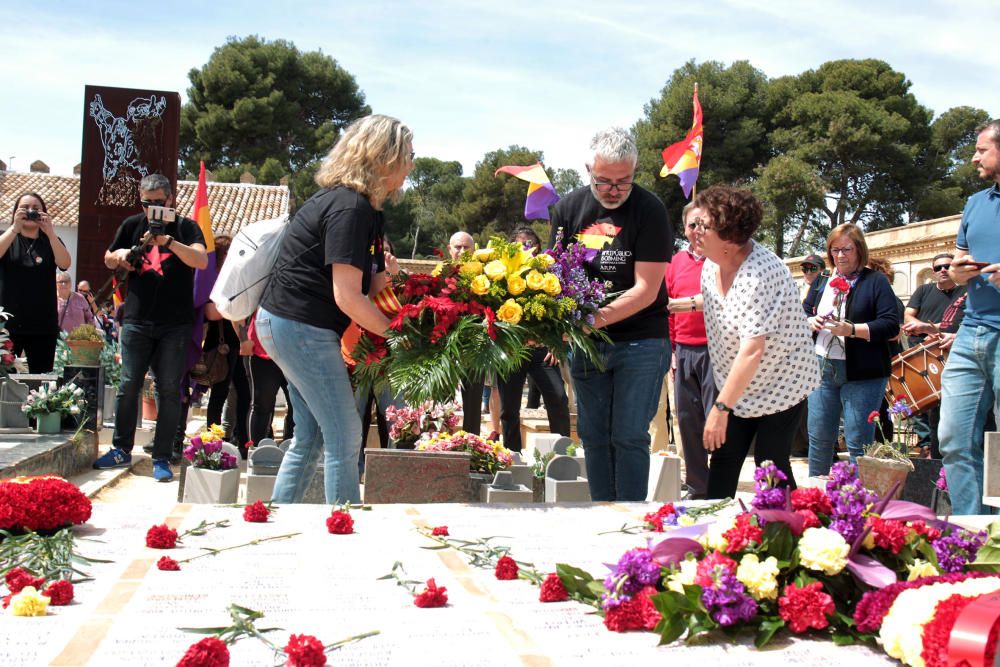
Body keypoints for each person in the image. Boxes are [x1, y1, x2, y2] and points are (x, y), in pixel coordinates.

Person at [255, 114, 412, 504]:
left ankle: (279, 517)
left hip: (292, 325)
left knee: (310, 436)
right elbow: (347, 297)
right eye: (407, 154)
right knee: (345, 433)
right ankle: (345, 526)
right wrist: (400, 338)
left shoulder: (366, 210)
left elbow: (371, 284)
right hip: (300, 327)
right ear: (384, 157)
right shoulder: (349, 208)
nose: (411, 163)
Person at [549, 127, 671, 501]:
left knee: (630, 434)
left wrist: (587, 322)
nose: (614, 190)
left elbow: (646, 290)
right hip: (588, 345)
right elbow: (553, 276)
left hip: (641, 340)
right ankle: (601, 512)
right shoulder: (567, 209)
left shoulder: (650, 210)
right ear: (588, 169)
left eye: (624, 181)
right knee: (593, 433)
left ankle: (631, 520)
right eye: (604, 181)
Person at [695, 185, 819, 499]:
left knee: (770, 467)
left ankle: (793, 533)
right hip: (738, 384)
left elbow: (752, 350)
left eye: (703, 226)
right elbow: (727, 309)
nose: (694, 231)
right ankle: (716, 536)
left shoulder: (762, 274)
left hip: (781, 382)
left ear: (728, 236)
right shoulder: (711, 266)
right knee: (722, 457)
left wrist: (720, 407)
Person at [93, 174, 208, 482]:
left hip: (175, 323)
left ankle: (161, 455)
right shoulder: (132, 225)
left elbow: (200, 260)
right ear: (141, 201)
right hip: (136, 319)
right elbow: (108, 257)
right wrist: (121, 256)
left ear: (170, 200)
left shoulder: (185, 227)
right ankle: (121, 449)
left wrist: (168, 241)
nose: (154, 209)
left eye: (159, 202)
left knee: (169, 388)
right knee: (128, 384)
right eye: (148, 203)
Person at [939, 119, 1000, 515]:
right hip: (972, 330)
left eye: (981, 149)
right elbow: (960, 258)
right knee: (953, 439)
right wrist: (958, 271)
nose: (974, 157)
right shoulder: (975, 203)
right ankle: (970, 538)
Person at [804, 223, 899, 477]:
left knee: (859, 442)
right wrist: (809, 322)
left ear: (859, 250)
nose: (840, 256)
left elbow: (890, 324)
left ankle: (859, 506)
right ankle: (816, 501)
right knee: (820, 439)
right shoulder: (823, 281)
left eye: (847, 249)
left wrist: (853, 330)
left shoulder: (875, 281)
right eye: (835, 250)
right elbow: (803, 311)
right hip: (823, 368)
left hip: (864, 372)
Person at [496, 227, 571, 452]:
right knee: (509, 409)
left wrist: (558, 345)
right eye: (522, 244)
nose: (528, 248)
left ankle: (562, 453)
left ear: (539, 247)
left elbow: (563, 313)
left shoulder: (551, 276)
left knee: (558, 399)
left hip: (542, 352)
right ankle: (512, 455)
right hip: (513, 351)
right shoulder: (501, 276)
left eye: (532, 243)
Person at [664, 203, 715, 499]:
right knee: (687, 420)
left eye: (703, 224)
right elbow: (668, 311)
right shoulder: (674, 263)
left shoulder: (722, 260)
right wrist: (671, 350)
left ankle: (720, 484)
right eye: (692, 225)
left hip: (715, 351)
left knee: (716, 421)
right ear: (684, 228)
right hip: (683, 352)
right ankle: (697, 486)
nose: (697, 231)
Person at [898, 253, 966, 457]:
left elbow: (954, 325)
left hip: (947, 354)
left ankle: (940, 452)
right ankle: (927, 446)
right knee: (919, 405)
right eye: (938, 268)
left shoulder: (965, 291)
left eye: (947, 266)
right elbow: (909, 314)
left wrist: (927, 329)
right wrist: (922, 328)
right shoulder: (924, 290)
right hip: (918, 354)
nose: (943, 270)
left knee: (943, 406)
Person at [0, 192, 72, 372]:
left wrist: (50, 232)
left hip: (42, 324)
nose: (30, 212)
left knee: (41, 381)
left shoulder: (50, 241)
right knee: (4, 380)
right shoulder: (7, 237)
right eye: (24, 208)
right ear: (15, 212)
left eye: (36, 209)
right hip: (7, 325)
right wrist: (15, 228)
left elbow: (65, 263)